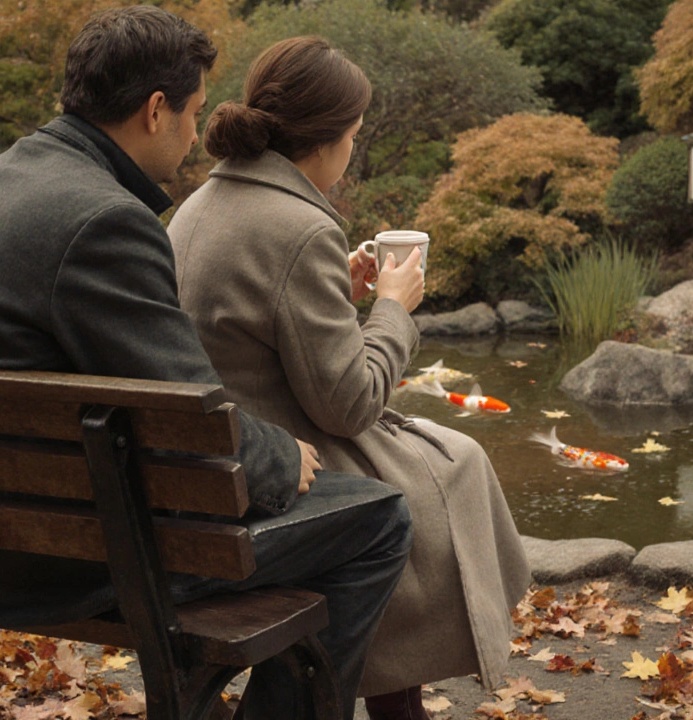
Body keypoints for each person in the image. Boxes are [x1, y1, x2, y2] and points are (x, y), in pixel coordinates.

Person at [0, 8, 412, 719]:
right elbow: (187, 417)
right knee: (380, 517)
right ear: (154, 111)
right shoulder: (103, 220)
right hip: (37, 557)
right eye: (195, 112)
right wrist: (276, 455)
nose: (198, 134)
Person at [168, 37, 531, 720]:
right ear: (324, 141)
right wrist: (393, 308)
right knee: (449, 469)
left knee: (450, 460)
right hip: (279, 462)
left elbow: (266, 337)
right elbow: (351, 403)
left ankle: (398, 696)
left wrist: (346, 294)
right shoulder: (299, 226)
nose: (352, 152)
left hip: (214, 458)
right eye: (354, 137)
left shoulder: (198, 206)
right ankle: (401, 704)